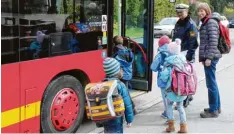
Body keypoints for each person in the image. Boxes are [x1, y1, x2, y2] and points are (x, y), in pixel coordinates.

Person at [151, 38, 188, 133]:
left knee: (169, 105)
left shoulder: (168, 62)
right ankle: (183, 127)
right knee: (180, 107)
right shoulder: (183, 59)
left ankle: (171, 126)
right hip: (182, 88)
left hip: (171, 88)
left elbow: (164, 76)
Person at [197, 2, 222, 118]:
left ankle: (213, 110)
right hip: (209, 56)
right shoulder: (206, 22)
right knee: (212, 83)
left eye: (202, 10)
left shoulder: (210, 22)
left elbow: (213, 42)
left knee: (210, 84)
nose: (200, 13)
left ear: (207, 11)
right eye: (199, 11)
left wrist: (208, 58)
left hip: (210, 57)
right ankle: (216, 107)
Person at [173, 3, 199, 107]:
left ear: (187, 11)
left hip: (186, 53)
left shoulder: (191, 25)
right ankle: (188, 95)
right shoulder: (179, 23)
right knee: (180, 76)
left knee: (185, 77)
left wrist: (189, 56)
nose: (179, 14)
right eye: (178, 12)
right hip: (179, 52)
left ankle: (185, 99)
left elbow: (193, 42)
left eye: (181, 12)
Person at [102, 57, 134, 133]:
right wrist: (129, 119)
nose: (122, 70)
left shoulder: (103, 84)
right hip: (116, 118)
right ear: (116, 71)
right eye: (120, 68)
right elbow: (127, 104)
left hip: (106, 118)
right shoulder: (120, 85)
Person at [113, 36, 136, 114]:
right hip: (128, 74)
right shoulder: (128, 52)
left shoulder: (117, 54)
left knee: (125, 93)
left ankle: (132, 109)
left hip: (121, 75)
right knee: (125, 91)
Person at [150, 36, 171, 120]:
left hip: (162, 80)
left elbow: (153, 68)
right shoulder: (172, 52)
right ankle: (170, 112)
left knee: (165, 97)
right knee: (170, 96)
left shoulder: (160, 55)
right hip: (172, 79)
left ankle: (168, 114)